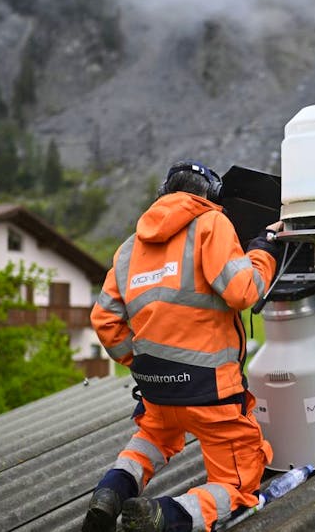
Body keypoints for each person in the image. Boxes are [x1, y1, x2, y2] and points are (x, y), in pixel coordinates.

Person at [83, 160, 283, 532]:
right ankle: (165, 516)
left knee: (154, 437)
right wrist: (263, 248)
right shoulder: (212, 224)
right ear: (211, 196)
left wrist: (147, 362)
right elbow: (243, 291)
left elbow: (104, 320)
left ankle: (110, 492)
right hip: (211, 392)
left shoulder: (129, 248)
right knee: (238, 484)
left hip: (157, 390)